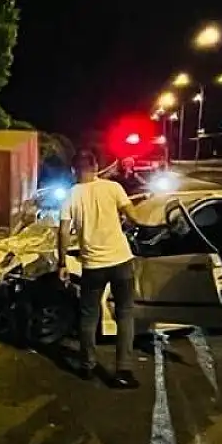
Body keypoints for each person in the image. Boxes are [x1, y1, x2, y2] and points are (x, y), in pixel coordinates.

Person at [58, 150, 146, 388]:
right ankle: (123, 371)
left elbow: (63, 231)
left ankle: (87, 365)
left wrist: (62, 263)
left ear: (73, 170)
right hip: (121, 261)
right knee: (125, 314)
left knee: (89, 316)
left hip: (93, 266)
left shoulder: (71, 196)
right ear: (96, 166)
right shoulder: (113, 188)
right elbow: (134, 217)